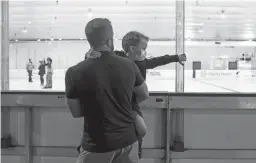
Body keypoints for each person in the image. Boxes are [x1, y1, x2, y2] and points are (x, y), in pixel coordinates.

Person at [65, 18, 149, 163]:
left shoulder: (74, 72)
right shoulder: (129, 65)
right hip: (128, 144)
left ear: (89, 41)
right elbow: (143, 94)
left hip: (97, 146)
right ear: (110, 40)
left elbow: (76, 112)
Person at [114, 31, 187, 158]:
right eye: (143, 48)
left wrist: (176, 57)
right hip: (117, 105)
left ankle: (135, 153)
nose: (145, 51)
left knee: (140, 131)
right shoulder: (116, 59)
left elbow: (160, 60)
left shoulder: (142, 63)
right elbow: (101, 57)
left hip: (132, 105)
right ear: (132, 48)